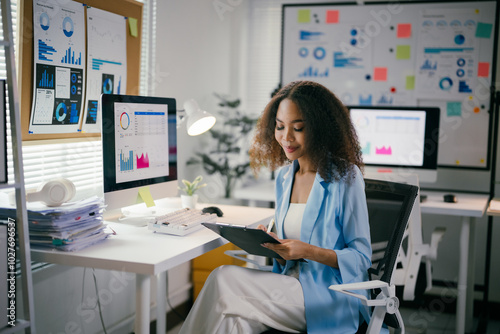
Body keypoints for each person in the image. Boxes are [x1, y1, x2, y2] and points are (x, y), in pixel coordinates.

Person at [179, 80, 372, 334]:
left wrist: (309, 251)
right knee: (233, 322)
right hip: (286, 287)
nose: (286, 138)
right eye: (280, 127)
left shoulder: (346, 177)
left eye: (298, 128)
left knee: (223, 278)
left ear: (321, 129)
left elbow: (361, 258)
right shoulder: (284, 177)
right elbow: (291, 245)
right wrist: (275, 243)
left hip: (328, 296)